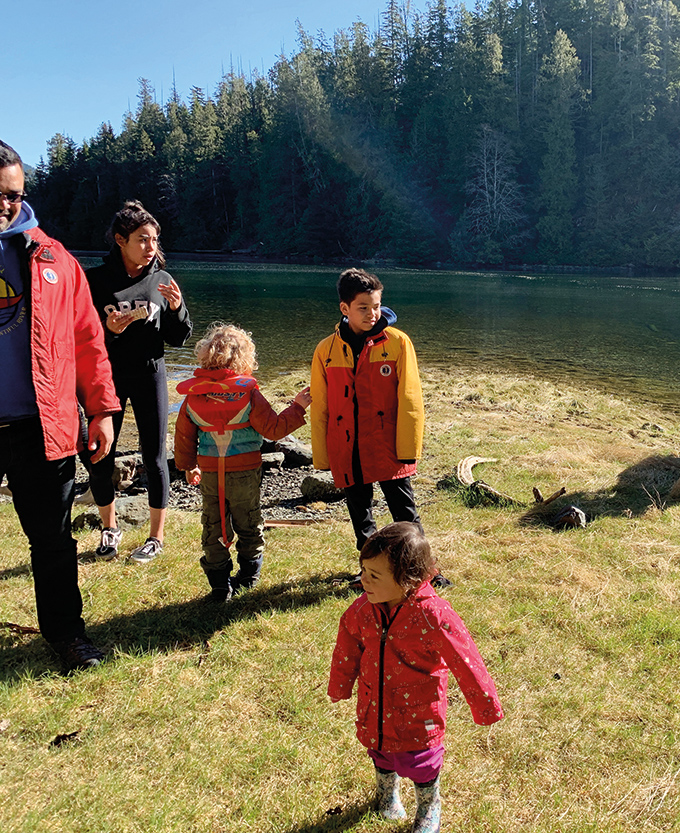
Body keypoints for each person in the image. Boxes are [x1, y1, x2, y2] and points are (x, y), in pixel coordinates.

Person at [0, 139, 120, 672]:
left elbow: (88, 340)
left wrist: (101, 412)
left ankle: (67, 637)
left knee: (52, 540)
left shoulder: (54, 259)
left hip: (40, 426)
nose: (6, 204)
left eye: (15, 194)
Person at [328, 523, 503, 833]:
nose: (362, 580)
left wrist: (485, 705)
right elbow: (347, 649)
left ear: (407, 579)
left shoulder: (433, 615)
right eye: (363, 570)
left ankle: (428, 804)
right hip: (375, 703)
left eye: (374, 575)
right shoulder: (361, 611)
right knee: (378, 748)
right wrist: (341, 686)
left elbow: (466, 661)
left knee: (422, 761)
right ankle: (387, 793)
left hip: (418, 709)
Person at [84, 200, 193, 563]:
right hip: (107, 376)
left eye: (155, 240)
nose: (151, 247)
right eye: (143, 240)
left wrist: (178, 309)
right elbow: (80, 336)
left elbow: (179, 338)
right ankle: (109, 529)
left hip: (150, 372)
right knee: (100, 454)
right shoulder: (96, 280)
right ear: (121, 240)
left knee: (155, 455)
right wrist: (107, 330)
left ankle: (155, 537)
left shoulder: (162, 280)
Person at [174, 323, 311, 602]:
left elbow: (183, 437)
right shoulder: (248, 392)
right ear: (244, 359)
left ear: (205, 356)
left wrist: (189, 466)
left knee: (214, 524)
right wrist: (297, 407)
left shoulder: (194, 396)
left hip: (211, 473)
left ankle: (219, 586)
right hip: (245, 473)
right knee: (248, 521)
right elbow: (272, 429)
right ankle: (248, 578)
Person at [311, 268, 425, 551]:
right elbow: (321, 408)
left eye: (375, 306)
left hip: (386, 443)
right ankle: (371, 570)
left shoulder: (398, 343)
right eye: (363, 308)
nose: (372, 314)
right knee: (360, 514)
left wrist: (408, 449)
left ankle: (423, 570)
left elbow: (411, 398)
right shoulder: (325, 351)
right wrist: (324, 456)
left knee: (404, 510)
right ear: (344, 308)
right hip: (347, 445)